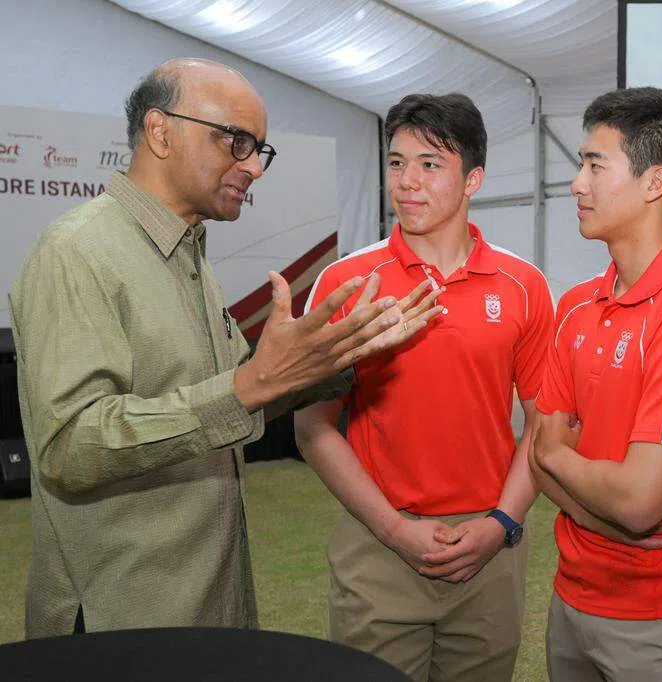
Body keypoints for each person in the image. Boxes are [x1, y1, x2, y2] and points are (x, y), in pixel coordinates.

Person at [8, 58, 440, 638]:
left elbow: (245, 391)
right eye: (236, 141)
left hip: (207, 602)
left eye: (259, 149)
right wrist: (247, 387)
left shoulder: (186, 253)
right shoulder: (77, 253)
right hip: (122, 622)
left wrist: (342, 356)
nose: (253, 167)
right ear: (161, 132)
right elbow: (69, 447)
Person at [294, 93, 554, 682]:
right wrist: (392, 529)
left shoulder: (523, 285)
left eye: (430, 164)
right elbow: (312, 428)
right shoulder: (346, 282)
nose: (407, 181)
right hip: (379, 544)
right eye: (396, 163)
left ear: (473, 180)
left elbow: (545, 425)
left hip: (490, 549)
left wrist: (501, 523)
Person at [530, 86, 662, 681]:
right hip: (572, 596)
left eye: (595, 165)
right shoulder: (576, 304)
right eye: (581, 164)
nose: (577, 184)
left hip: (661, 614)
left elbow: (640, 501)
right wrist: (600, 518)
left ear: (655, 183)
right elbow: (540, 464)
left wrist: (556, 455)